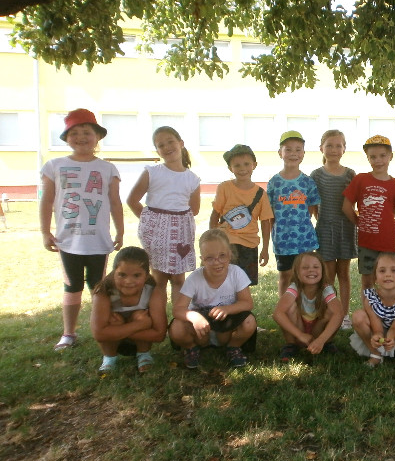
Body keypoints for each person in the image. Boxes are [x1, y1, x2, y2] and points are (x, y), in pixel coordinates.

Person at [40, 108, 124, 351]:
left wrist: (120, 231)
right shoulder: (54, 166)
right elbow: (46, 201)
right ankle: (69, 333)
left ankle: (104, 328)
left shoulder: (108, 169)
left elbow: (115, 202)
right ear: (66, 138)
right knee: (72, 286)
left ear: (97, 137)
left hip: (98, 241)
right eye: (74, 133)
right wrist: (45, 231)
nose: (81, 137)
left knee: (99, 288)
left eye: (87, 132)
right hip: (68, 241)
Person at [127, 126, 201, 304]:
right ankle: (158, 316)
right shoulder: (152, 172)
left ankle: (179, 316)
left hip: (181, 231)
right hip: (156, 233)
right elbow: (132, 200)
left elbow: (195, 209)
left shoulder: (192, 179)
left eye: (170, 142)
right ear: (157, 151)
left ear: (181, 143)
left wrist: (174, 220)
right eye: (161, 145)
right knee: (159, 279)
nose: (167, 147)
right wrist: (151, 222)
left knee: (178, 279)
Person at [169, 229, 256, 369]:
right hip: (200, 329)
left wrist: (227, 309)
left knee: (249, 321)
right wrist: (194, 317)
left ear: (230, 254)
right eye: (210, 258)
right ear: (202, 259)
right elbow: (178, 309)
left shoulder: (237, 273)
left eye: (222, 255)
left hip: (226, 325)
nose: (217, 262)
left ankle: (233, 347)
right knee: (176, 327)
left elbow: (247, 303)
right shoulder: (194, 278)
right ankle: (191, 348)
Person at [343, 135, 395, 290]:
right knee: (367, 282)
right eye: (373, 157)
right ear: (368, 158)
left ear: (390, 156)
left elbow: (394, 210)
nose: (378, 160)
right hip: (366, 241)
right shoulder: (361, 179)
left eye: (382, 156)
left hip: (387, 241)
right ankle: (368, 306)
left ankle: (387, 305)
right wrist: (358, 222)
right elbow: (346, 206)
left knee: (389, 280)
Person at [90, 246, 167, 374]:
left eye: (137, 275)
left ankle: (144, 355)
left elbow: (159, 335)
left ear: (146, 276)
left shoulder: (153, 291)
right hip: (112, 342)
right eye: (122, 275)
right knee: (114, 319)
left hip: (140, 339)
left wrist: (115, 331)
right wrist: (140, 324)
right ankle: (109, 358)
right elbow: (98, 334)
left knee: (139, 315)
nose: (129, 281)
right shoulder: (104, 292)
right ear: (114, 273)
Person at [310, 130, 358, 330]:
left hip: (346, 229)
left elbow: (354, 202)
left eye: (338, 146)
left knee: (344, 274)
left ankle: (345, 315)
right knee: (328, 275)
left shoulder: (350, 174)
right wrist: (323, 220)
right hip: (325, 229)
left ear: (344, 149)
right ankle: (331, 313)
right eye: (329, 145)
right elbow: (313, 205)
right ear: (321, 148)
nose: (334, 149)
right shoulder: (316, 175)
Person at [210, 144, 273, 286]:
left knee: (244, 284)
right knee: (224, 282)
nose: (242, 168)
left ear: (254, 165)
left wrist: (265, 249)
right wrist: (211, 240)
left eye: (246, 164)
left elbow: (265, 222)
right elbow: (215, 214)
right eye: (237, 165)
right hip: (226, 243)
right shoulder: (224, 187)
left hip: (250, 244)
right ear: (230, 168)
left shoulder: (261, 194)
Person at [267, 131, 321, 296]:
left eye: (298, 150)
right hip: (283, 239)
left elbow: (311, 208)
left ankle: (304, 307)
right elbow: (269, 213)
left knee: (305, 275)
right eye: (288, 149)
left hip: (304, 239)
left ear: (303, 153)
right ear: (280, 153)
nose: (293, 154)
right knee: (285, 275)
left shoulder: (307, 181)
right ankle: (284, 308)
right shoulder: (274, 182)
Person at [273, 251, 344, 362]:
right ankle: (291, 345)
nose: (311, 270)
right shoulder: (294, 287)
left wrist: (321, 339)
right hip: (298, 330)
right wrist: (300, 335)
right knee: (289, 308)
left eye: (316, 267)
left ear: (322, 270)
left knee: (333, 311)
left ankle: (326, 343)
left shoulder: (326, 289)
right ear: (297, 272)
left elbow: (339, 314)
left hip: (318, 331)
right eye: (305, 267)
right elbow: (278, 313)